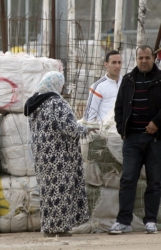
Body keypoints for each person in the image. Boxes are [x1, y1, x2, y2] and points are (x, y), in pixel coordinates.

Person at [24, 71, 91, 237]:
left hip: (42, 156)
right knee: (61, 191)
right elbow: (68, 127)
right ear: (56, 84)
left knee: (47, 192)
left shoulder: (34, 105)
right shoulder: (56, 103)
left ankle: (48, 227)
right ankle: (60, 229)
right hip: (60, 156)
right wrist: (85, 129)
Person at [108, 45, 161, 235]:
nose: (144, 61)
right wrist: (122, 129)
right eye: (141, 58)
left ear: (153, 58)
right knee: (128, 179)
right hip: (131, 139)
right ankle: (123, 221)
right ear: (136, 59)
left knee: (154, 181)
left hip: (155, 140)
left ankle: (150, 221)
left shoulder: (160, 79)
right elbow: (119, 106)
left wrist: (156, 122)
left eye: (147, 58)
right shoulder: (129, 80)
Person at [83, 50, 122, 122]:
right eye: (114, 62)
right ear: (106, 65)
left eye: (119, 62)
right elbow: (89, 117)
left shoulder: (126, 83)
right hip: (105, 131)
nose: (117, 66)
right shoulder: (98, 86)